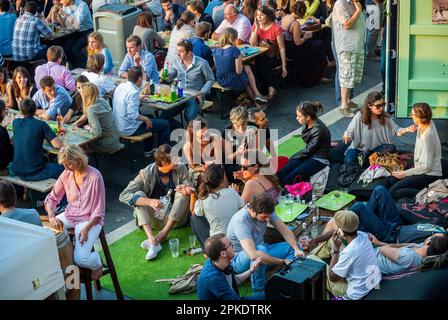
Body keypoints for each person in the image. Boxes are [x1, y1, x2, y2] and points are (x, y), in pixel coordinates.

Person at [119, 144, 193, 260]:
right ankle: (152, 240)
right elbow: (123, 195)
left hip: (175, 219)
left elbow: (190, 188)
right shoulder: (146, 173)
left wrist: (187, 189)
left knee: (182, 194)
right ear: (164, 163)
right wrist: (149, 202)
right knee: (139, 196)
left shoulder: (181, 168)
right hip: (154, 220)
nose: (179, 159)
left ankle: (162, 236)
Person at [45, 144, 105, 280]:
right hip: (70, 215)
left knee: (81, 259)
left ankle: (97, 261)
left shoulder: (95, 177)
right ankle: (64, 270)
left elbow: (99, 211)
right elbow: (52, 198)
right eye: (64, 165)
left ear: (78, 159)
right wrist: (51, 215)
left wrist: (86, 228)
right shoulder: (66, 174)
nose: (66, 168)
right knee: (47, 234)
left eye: (68, 164)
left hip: (90, 220)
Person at [227, 192, 304, 294]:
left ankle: (288, 281)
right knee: (260, 251)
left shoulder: (266, 211)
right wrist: (281, 261)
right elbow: (253, 254)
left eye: (269, 216)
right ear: (253, 211)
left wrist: (296, 249)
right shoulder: (240, 221)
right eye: (264, 217)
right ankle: (259, 291)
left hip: (263, 250)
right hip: (239, 261)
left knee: (296, 247)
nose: (268, 219)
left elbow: (284, 230)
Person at [342, 91, 417, 170]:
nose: (381, 108)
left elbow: (397, 131)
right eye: (378, 106)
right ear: (369, 106)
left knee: (391, 147)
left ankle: (366, 162)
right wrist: (347, 136)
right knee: (349, 160)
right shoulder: (359, 116)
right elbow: (349, 131)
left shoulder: (385, 117)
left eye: (383, 105)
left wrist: (408, 129)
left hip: (376, 151)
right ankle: (367, 162)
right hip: (359, 149)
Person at [350, 186, 448, 244]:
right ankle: (363, 224)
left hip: (390, 236)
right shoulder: (441, 224)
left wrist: (380, 244)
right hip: (398, 225)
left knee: (358, 207)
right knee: (380, 190)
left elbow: (411, 248)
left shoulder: (440, 238)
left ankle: (348, 230)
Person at [389, 103, 443, 200]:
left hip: (429, 174)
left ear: (419, 117)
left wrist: (405, 173)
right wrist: (409, 129)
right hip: (420, 168)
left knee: (393, 192)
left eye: (412, 114)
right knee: (393, 180)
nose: (411, 116)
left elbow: (427, 166)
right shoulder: (426, 123)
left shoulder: (428, 137)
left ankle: (426, 193)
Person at [113, 66, 170, 156]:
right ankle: (164, 154)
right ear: (139, 79)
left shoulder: (121, 86)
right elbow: (132, 115)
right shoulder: (133, 92)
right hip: (129, 129)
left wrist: (138, 98)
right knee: (165, 124)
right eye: (143, 78)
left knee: (151, 117)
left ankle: (148, 150)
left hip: (118, 125)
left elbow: (125, 101)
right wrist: (146, 119)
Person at [327, 210, 381, 300]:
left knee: (313, 260)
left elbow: (332, 277)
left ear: (341, 232)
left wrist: (336, 249)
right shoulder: (363, 235)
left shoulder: (349, 252)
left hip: (357, 294)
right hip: (373, 283)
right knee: (330, 243)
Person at [276, 101, 331, 185]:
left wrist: (293, 156)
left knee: (288, 178)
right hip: (309, 154)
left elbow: (309, 150)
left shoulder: (318, 129)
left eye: (299, 116)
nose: (296, 118)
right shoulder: (307, 123)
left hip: (318, 158)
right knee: (281, 173)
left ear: (308, 117)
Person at [197, 233, 264, 300]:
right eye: (230, 245)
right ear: (223, 254)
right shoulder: (214, 279)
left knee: (269, 294)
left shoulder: (216, 262)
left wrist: (250, 271)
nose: (233, 246)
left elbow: (233, 281)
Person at [11, 99, 64, 181]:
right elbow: (58, 145)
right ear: (35, 110)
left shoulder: (15, 122)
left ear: (21, 111)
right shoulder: (41, 124)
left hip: (17, 170)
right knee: (64, 169)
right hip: (35, 172)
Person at [163, 40, 215, 124]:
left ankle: (195, 135)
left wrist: (201, 92)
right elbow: (171, 76)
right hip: (179, 94)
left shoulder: (202, 63)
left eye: (181, 51)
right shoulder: (176, 61)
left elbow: (210, 79)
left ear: (189, 53)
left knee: (189, 116)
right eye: (178, 51)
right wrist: (165, 76)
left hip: (194, 96)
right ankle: (178, 127)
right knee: (164, 115)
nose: (178, 54)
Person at [192, 164, 245, 246]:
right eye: (226, 176)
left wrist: (193, 195)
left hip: (217, 243)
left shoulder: (203, 200)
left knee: (194, 218)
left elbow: (194, 214)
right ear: (221, 179)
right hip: (237, 239)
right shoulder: (232, 192)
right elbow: (243, 212)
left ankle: (206, 249)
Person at [213, 28, 267, 105]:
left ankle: (256, 99)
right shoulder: (234, 50)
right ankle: (257, 98)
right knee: (247, 75)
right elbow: (239, 71)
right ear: (233, 38)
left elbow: (217, 66)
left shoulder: (216, 50)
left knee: (246, 70)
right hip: (232, 81)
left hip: (220, 80)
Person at [280, 1, 328, 87]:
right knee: (319, 46)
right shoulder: (295, 23)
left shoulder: (285, 17)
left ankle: (319, 73)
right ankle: (317, 76)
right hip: (294, 48)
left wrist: (301, 33)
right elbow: (298, 42)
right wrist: (305, 37)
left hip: (286, 46)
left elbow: (290, 33)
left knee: (316, 44)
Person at [331, 0, 366, 116]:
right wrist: (359, 11)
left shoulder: (355, 3)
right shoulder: (340, 4)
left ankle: (348, 101)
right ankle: (344, 105)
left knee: (352, 74)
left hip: (356, 45)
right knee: (346, 75)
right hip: (346, 46)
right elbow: (347, 24)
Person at [249, 6, 287, 100]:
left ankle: (268, 89)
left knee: (260, 63)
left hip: (273, 57)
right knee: (255, 63)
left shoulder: (276, 28)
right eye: (257, 15)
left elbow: (282, 47)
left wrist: (284, 65)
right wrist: (256, 29)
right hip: (259, 56)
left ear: (269, 16)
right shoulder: (256, 25)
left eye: (262, 15)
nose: (259, 17)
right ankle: (269, 88)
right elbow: (252, 43)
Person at [369, 232, 448, 275]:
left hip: (369, 259)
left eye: (432, 235)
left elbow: (383, 249)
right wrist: (378, 242)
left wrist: (378, 243)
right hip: (376, 250)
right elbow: (402, 246)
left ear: (428, 242)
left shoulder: (408, 256)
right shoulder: (422, 248)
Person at [76, 82, 121, 154]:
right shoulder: (103, 101)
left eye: (81, 92)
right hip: (115, 139)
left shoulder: (91, 109)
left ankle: (87, 162)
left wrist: (89, 128)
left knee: (77, 145)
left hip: (106, 144)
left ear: (85, 95)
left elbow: (97, 133)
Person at [221, 106, 258, 180]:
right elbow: (228, 158)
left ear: (247, 120)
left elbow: (256, 150)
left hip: (248, 161)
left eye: (244, 124)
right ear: (232, 122)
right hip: (233, 164)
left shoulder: (253, 127)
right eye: (237, 125)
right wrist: (238, 152)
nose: (241, 128)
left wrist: (248, 151)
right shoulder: (226, 131)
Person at [56, 0, 94, 69]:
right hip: (75, 32)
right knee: (66, 47)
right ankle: (74, 68)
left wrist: (65, 15)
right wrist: (58, 15)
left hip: (87, 31)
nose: (60, 1)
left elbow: (77, 25)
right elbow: (64, 24)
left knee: (75, 48)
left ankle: (87, 67)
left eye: (62, 0)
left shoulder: (82, 5)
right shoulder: (65, 6)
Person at [0, 100, 13, 175]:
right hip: (2, 167)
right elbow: (7, 154)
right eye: (5, 110)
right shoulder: (2, 131)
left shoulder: (2, 130)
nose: (6, 112)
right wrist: (12, 144)